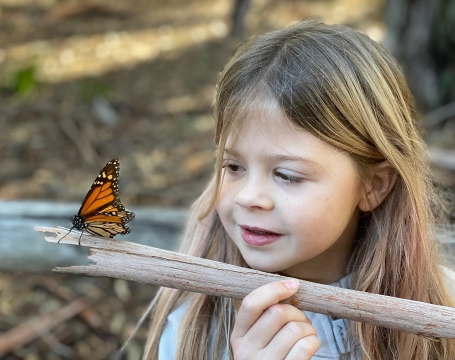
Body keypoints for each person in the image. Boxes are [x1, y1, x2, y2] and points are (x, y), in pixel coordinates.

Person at [142, 20, 455, 359]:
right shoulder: (195, 335)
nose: (248, 196)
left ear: (374, 185)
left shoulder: (442, 311)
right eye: (233, 167)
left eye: (287, 175)